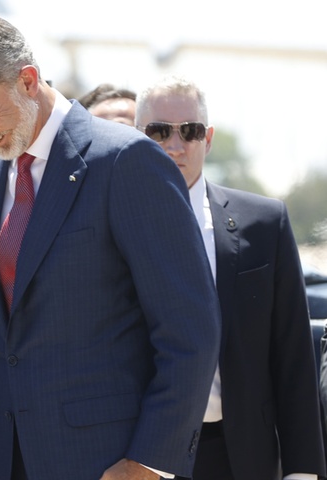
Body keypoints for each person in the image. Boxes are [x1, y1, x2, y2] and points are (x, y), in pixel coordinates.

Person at [0, 11, 222, 480]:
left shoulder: (125, 161)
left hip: (107, 464)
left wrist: (149, 462)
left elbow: (190, 332)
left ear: (27, 80)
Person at [135, 74, 326, 480]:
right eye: (158, 131)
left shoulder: (264, 222)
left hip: (240, 454)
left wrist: (302, 470)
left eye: (190, 131)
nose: (175, 144)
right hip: (141, 454)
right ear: (137, 136)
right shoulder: (111, 225)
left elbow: (292, 353)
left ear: (208, 138)